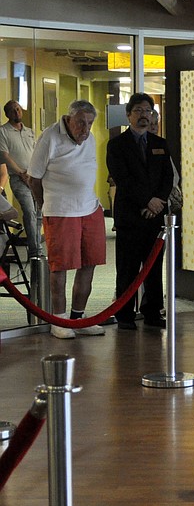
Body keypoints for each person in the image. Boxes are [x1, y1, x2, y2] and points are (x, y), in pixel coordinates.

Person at [29, 100, 106, 339]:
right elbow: (33, 179)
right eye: (81, 123)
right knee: (60, 267)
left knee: (89, 264)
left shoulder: (89, 139)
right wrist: (45, 205)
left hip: (89, 209)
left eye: (90, 124)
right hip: (61, 211)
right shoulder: (50, 137)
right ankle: (59, 320)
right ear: (68, 119)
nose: (85, 129)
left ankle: (78, 317)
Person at [106, 93, 173, 330]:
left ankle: (152, 312)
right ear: (128, 115)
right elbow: (122, 179)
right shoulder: (116, 145)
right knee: (128, 268)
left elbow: (168, 178)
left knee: (154, 268)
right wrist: (147, 201)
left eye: (148, 111)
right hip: (130, 216)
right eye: (138, 111)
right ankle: (125, 314)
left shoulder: (160, 144)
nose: (144, 115)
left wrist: (158, 202)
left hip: (155, 218)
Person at [0, 100, 42, 259]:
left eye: (18, 109)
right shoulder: (3, 131)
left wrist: (35, 173)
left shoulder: (29, 131)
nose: (17, 112)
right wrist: (21, 173)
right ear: (7, 114)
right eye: (13, 110)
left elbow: (36, 152)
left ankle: (38, 245)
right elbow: (5, 156)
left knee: (39, 212)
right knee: (30, 211)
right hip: (18, 179)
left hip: (35, 177)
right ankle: (34, 252)